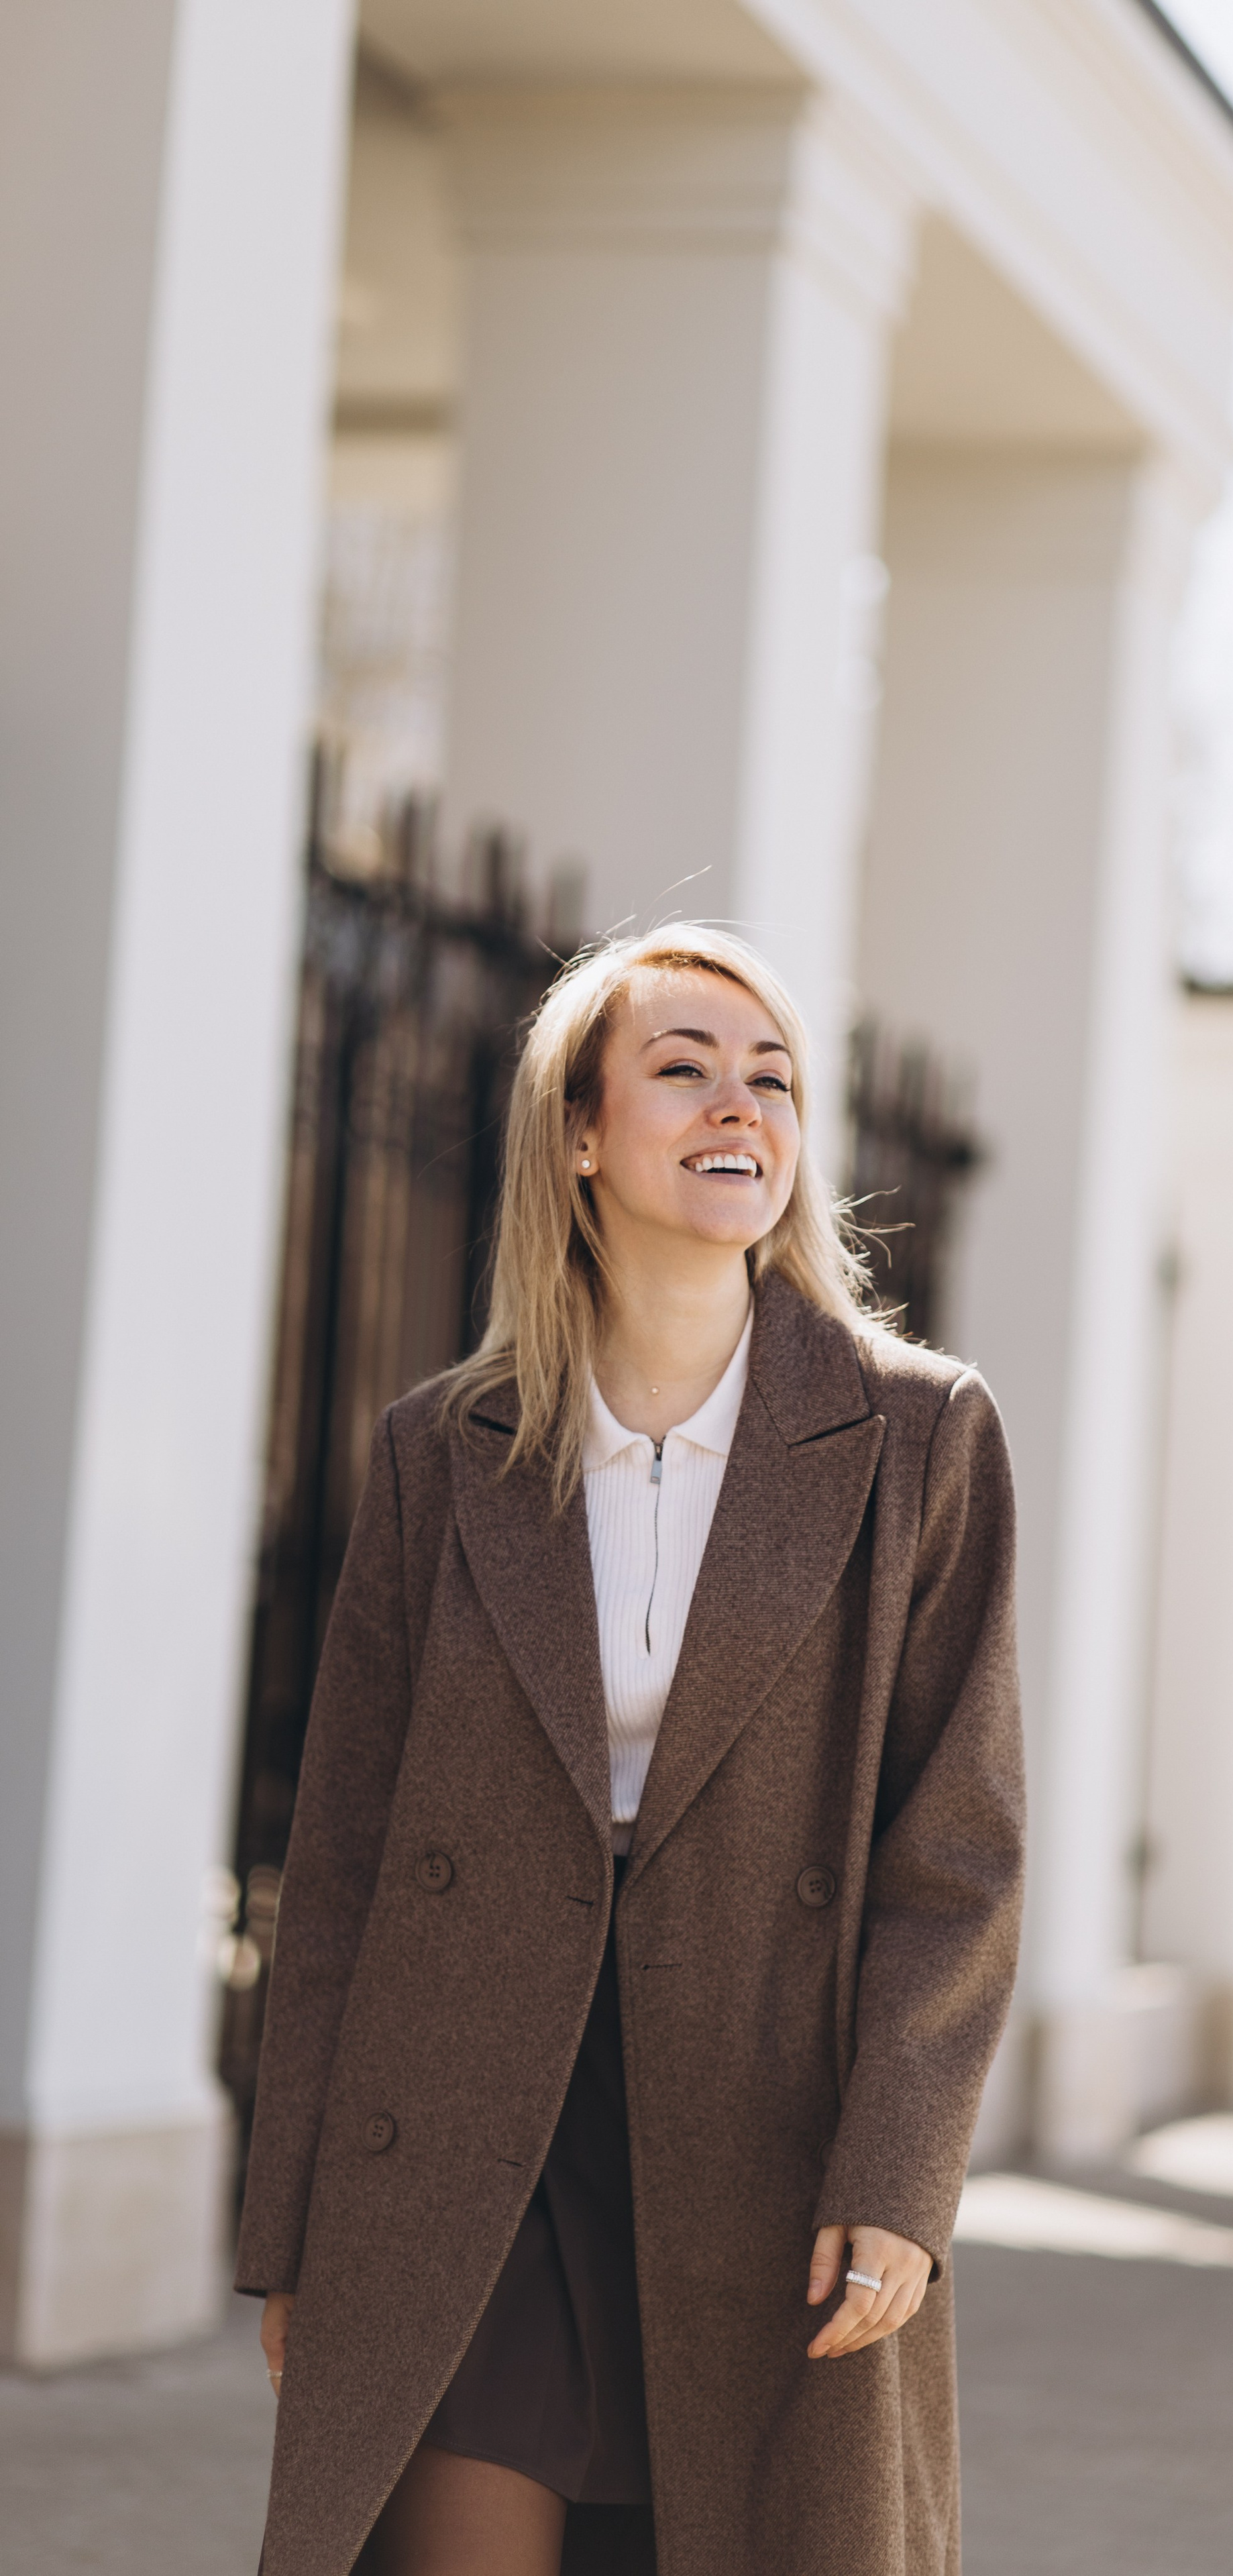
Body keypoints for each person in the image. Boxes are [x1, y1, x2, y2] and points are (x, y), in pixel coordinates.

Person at [236, 925, 1025, 2576]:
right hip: (464, 2128)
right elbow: (346, 1859)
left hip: (762, 2115)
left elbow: (953, 1855)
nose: (739, 1104)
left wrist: (900, 2173)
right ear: (581, 1133)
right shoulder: (446, 1448)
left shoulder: (917, 1440)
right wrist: (295, 2219)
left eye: (774, 1078)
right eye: (683, 1069)